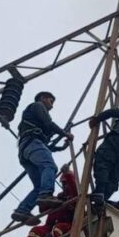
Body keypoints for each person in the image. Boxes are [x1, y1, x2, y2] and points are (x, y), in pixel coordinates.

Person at [12, 91, 73, 226]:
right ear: (43, 98)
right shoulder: (37, 106)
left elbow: (45, 146)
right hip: (32, 143)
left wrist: (61, 147)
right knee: (50, 167)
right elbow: (49, 123)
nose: (52, 105)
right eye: (51, 101)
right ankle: (46, 195)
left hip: (26, 151)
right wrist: (65, 133)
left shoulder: (35, 120)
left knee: (39, 186)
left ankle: (23, 210)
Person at [10, 164, 78, 237]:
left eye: (66, 183)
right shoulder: (58, 200)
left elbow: (75, 190)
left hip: (69, 226)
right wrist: (43, 196)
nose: (65, 186)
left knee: (58, 228)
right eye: (63, 183)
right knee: (36, 230)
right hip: (51, 228)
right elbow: (43, 209)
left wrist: (68, 174)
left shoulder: (75, 197)